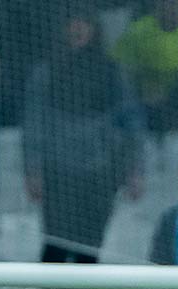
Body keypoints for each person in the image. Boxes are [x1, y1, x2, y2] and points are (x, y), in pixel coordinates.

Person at [23, 13, 143, 263]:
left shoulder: (112, 72)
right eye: (72, 22)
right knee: (55, 246)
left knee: (90, 249)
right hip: (59, 173)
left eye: (84, 22)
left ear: (94, 28)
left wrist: (136, 169)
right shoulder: (46, 72)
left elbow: (132, 122)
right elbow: (34, 123)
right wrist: (33, 170)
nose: (78, 28)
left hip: (101, 173)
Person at [111, 0, 178, 133]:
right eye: (165, 2)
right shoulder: (137, 30)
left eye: (175, 3)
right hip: (145, 97)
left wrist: (176, 94)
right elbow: (123, 67)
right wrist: (142, 89)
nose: (170, 7)